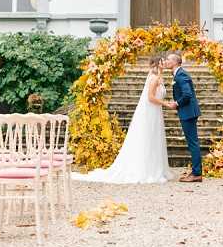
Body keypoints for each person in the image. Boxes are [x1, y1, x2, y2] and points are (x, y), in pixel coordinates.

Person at [70, 54, 174, 184]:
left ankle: (155, 168)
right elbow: (150, 97)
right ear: (158, 63)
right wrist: (166, 104)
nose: (165, 63)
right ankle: (145, 170)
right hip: (150, 112)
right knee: (147, 137)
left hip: (156, 112)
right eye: (163, 61)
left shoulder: (159, 77)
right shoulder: (153, 78)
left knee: (154, 138)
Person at [164, 52, 203, 182]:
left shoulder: (181, 76)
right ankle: (195, 171)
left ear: (175, 62)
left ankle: (197, 173)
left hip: (188, 113)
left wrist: (176, 103)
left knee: (193, 143)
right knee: (192, 142)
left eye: (168, 59)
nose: (166, 61)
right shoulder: (178, 75)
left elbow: (187, 95)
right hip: (187, 112)